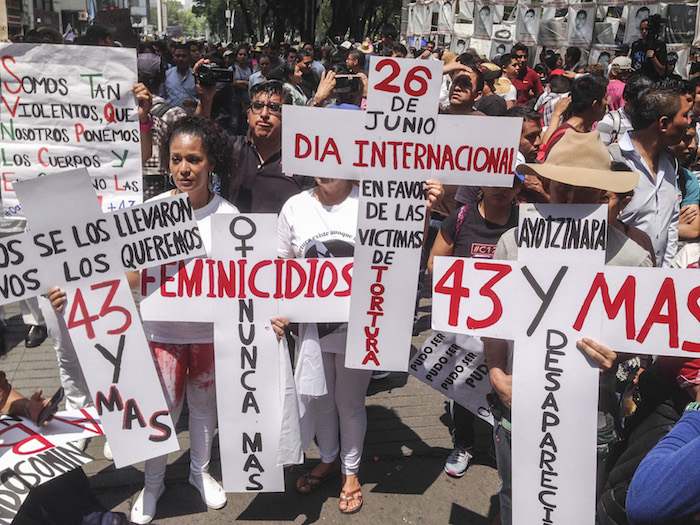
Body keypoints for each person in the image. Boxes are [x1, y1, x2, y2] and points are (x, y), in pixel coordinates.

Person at [51, 116, 238, 524]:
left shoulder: (229, 216)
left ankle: (198, 472)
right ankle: (152, 484)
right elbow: (130, 275)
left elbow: (242, 282)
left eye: (194, 159)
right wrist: (77, 289)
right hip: (161, 334)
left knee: (205, 408)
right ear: (167, 163)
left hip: (209, 336)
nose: (185, 168)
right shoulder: (151, 213)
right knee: (161, 414)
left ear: (211, 163)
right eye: (176, 159)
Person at [484, 131, 653, 525]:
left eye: (586, 192)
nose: (573, 202)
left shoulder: (633, 258)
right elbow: (491, 320)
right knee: (515, 497)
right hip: (519, 404)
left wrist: (622, 353)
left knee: (576, 507)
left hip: (590, 413)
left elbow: (644, 338)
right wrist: (496, 372)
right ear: (547, 189)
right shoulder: (512, 243)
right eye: (563, 191)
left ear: (604, 195)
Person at [275, 177, 443, 514]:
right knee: (319, 398)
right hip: (312, 328)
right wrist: (278, 312)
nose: (326, 168)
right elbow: (280, 265)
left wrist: (422, 213)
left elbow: (406, 251)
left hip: (362, 328)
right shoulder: (294, 206)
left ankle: (350, 472)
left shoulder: (374, 204)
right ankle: (328, 460)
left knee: (348, 402)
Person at [428, 169, 522, 479]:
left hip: (510, 326)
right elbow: (434, 266)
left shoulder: (528, 222)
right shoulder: (460, 218)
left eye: (512, 182)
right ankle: (464, 445)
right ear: (480, 182)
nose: (502, 189)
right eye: (495, 180)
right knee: (463, 385)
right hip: (466, 325)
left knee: (504, 386)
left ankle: (503, 445)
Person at [613, 80, 692, 267]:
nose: (689, 122)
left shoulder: (670, 162)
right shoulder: (613, 160)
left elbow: (671, 223)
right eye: (684, 115)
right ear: (663, 123)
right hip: (618, 280)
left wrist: (664, 272)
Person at [540, 74, 608, 159]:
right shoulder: (567, 136)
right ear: (595, 105)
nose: (607, 103)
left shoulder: (579, 131)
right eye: (605, 98)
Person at [597, 74, 652, 146]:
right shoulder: (609, 122)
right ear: (626, 98)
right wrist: (613, 150)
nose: (645, 107)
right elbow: (597, 155)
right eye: (639, 103)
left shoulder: (653, 123)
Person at [163, 43, 198, 113]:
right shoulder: (167, 75)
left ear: (189, 57)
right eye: (177, 56)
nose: (180, 59)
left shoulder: (196, 76)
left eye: (184, 56)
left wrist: (194, 103)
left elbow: (203, 98)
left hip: (191, 117)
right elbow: (162, 96)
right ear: (173, 57)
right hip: (170, 116)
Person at [631, 15, 667, 80]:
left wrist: (654, 58)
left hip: (652, 81)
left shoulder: (659, 45)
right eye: (642, 29)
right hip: (637, 80)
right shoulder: (636, 45)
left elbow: (662, 71)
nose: (644, 32)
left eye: (647, 29)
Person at [232, 44, 253, 134]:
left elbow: (251, 84)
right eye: (240, 54)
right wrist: (245, 83)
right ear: (236, 56)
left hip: (246, 101)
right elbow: (233, 83)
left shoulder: (250, 70)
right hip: (234, 101)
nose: (242, 57)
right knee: (234, 124)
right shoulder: (232, 69)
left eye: (245, 55)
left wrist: (240, 82)